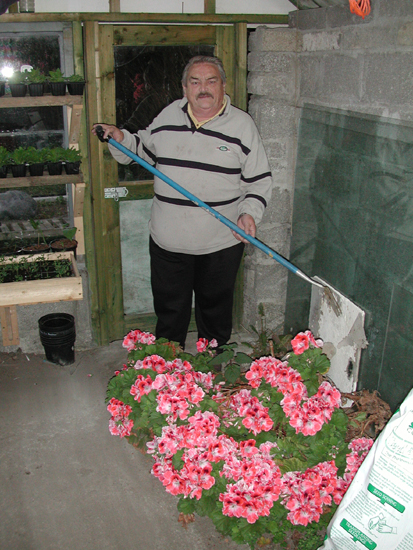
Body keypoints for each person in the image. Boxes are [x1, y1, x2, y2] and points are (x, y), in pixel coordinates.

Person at [93, 55, 273, 349]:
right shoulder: (168, 116)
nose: (204, 88)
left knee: (214, 314)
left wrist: (249, 213)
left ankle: (212, 369)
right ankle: (169, 373)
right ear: (185, 88)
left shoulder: (242, 125)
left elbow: (259, 180)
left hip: (220, 242)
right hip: (168, 241)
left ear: (223, 86)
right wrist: (119, 137)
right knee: (169, 313)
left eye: (211, 81)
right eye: (195, 81)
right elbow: (142, 151)